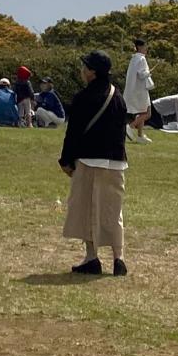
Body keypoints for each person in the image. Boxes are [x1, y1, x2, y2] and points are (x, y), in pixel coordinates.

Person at [59, 50, 130, 276]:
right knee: (113, 210)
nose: (83, 70)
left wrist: (66, 160)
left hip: (89, 159)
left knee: (88, 208)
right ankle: (119, 258)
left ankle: (92, 257)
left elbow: (73, 133)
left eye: (85, 67)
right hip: (117, 162)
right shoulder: (117, 96)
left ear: (92, 72)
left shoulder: (83, 97)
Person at [124, 38, 154, 142]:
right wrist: (149, 73)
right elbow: (141, 75)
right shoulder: (141, 58)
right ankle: (130, 127)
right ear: (140, 47)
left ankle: (140, 136)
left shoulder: (134, 58)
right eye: (145, 46)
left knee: (142, 112)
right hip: (140, 90)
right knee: (147, 113)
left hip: (135, 89)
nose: (146, 49)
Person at [14, 65, 36, 129]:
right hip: (27, 99)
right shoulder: (27, 82)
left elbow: (15, 91)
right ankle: (29, 124)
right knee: (28, 112)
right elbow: (31, 91)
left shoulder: (17, 82)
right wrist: (32, 98)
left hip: (19, 99)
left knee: (20, 112)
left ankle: (20, 123)